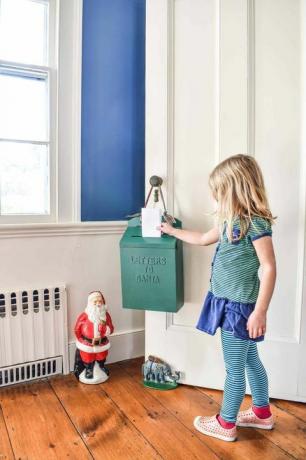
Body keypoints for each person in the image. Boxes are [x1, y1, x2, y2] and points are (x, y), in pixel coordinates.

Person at [159, 154, 276, 442]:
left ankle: (226, 424)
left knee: (234, 369)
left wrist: (259, 312)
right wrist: (172, 230)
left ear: (235, 190)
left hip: (240, 308)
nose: (214, 197)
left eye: (219, 191)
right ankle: (262, 413)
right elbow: (201, 239)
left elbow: (270, 267)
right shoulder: (228, 222)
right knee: (251, 362)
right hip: (227, 303)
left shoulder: (256, 224)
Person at [74, 291, 114, 380]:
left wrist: (106, 329)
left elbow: (111, 328)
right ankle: (89, 369)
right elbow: (77, 328)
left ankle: (101, 366)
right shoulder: (84, 316)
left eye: (100, 302)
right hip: (87, 343)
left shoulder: (106, 316)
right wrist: (80, 339)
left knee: (102, 355)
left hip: (102, 343)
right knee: (87, 356)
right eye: (95, 302)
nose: (98, 304)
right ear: (90, 303)